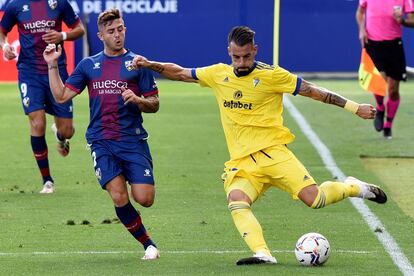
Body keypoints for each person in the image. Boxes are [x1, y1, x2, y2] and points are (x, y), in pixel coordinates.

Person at [132, 26, 388, 265]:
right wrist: (149, 64)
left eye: (246, 56)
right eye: (236, 57)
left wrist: (354, 108)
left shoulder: (272, 76)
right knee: (236, 200)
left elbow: (312, 91)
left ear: (255, 49)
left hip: (274, 154)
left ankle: (354, 187)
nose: (242, 63)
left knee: (316, 200)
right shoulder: (218, 74)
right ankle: (262, 252)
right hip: (243, 163)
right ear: (229, 52)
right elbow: (179, 72)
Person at [43, 8, 160, 260]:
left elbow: (155, 104)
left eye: (120, 29)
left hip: (132, 140)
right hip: (101, 141)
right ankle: (149, 245)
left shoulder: (138, 63)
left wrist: (138, 100)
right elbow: (61, 96)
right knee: (118, 195)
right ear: (101, 35)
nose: (117, 35)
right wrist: (52, 65)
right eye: (111, 31)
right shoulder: (89, 65)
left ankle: (136, 185)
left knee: (145, 198)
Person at [0, 0, 85, 193]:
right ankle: (47, 180)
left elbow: (79, 29)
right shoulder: (15, 5)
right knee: (37, 123)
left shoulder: (59, 3)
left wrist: (62, 35)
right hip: (29, 72)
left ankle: (61, 136)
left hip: (56, 69)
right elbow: (1, 31)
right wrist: (4, 46)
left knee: (68, 130)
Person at [356, 0, 414, 139]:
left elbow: (412, 20)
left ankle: (388, 125)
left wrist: (402, 21)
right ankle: (380, 108)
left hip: (394, 45)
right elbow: (360, 12)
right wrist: (362, 30)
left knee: (393, 90)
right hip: (373, 43)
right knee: (379, 82)